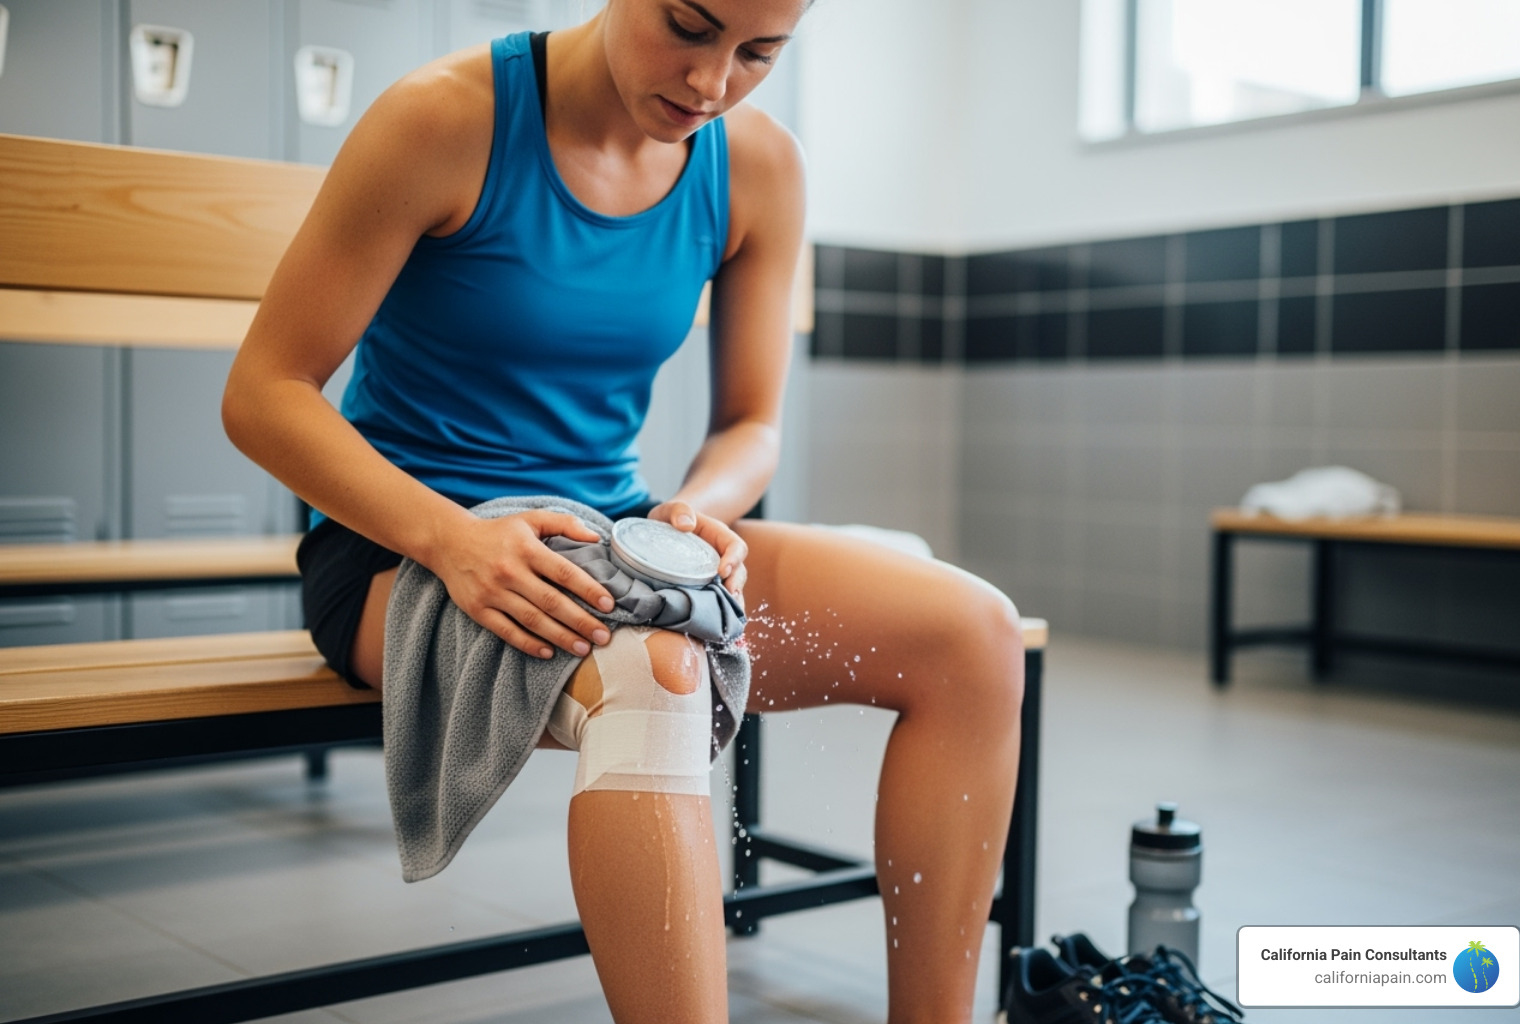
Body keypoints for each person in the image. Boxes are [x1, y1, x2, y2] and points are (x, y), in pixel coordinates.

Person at [223, 2, 1023, 1021]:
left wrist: (693, 514)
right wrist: (454, 540)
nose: (712, 83)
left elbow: (751, 425)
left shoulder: (759, 167)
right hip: (409, 547)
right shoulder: (444, 120)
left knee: (974, 637)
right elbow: (264, 392)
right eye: (688, 27)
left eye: (759, 53)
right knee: (657, 675)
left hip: (617, 529)